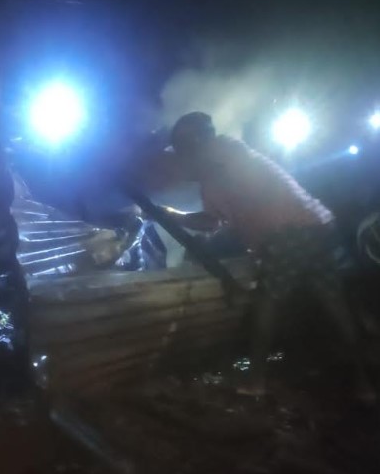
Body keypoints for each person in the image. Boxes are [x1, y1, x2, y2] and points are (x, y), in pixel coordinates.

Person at [158, 112, 373, 400]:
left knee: (265, 304)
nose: (182, 158)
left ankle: (255, 381)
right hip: (315, 225)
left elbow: (210, 217)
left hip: (287, 233)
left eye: (182, 149)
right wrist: (174, 213)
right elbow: (213, 220)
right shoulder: (226, 158)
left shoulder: (219, 155)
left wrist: (172, 212)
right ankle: (365, 384)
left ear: (194, 142)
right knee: (334, 304)